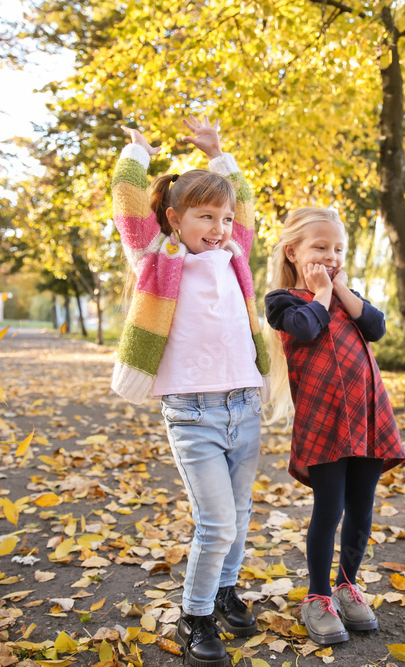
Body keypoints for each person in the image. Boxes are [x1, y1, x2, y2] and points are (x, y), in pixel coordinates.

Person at [110, 116, 269, 667]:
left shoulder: (235, 257)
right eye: (206, 216)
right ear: (175, 219)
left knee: (241, 513)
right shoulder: (159, 258)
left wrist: (220, 152)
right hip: (192, 412)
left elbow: (244, 202)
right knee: (216, 522)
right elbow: (129, 205)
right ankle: (195, 615)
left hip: (245, 405)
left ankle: (226, 593)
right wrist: (137, 154)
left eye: (224, 218)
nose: (220, 226)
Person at [263, 207, 405, 645]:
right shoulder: (284, 301)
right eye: (320, 248)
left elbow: (377, 326)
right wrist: (322, 292)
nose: (330, 256)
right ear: (293, 251)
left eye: (338, 249)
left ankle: (347, 584)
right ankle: (318, 596)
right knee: (330, 510)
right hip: (324, 422)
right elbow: (305, 329)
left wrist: (339, 286)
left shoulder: (346, 296)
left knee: (362, 507)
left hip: (366, 415)